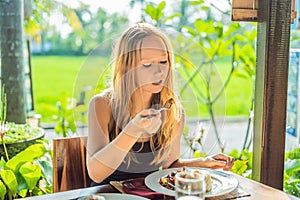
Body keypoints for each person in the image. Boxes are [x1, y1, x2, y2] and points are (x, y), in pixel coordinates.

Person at [87, 23, 234, 185]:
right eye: (147, 65)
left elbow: (168, 167)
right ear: (126, 67)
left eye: (163, 62)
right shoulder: (102, 106)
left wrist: (202, 163)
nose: (159, 72)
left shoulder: (173, 112)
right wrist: (133, 130)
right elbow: (96, 173)